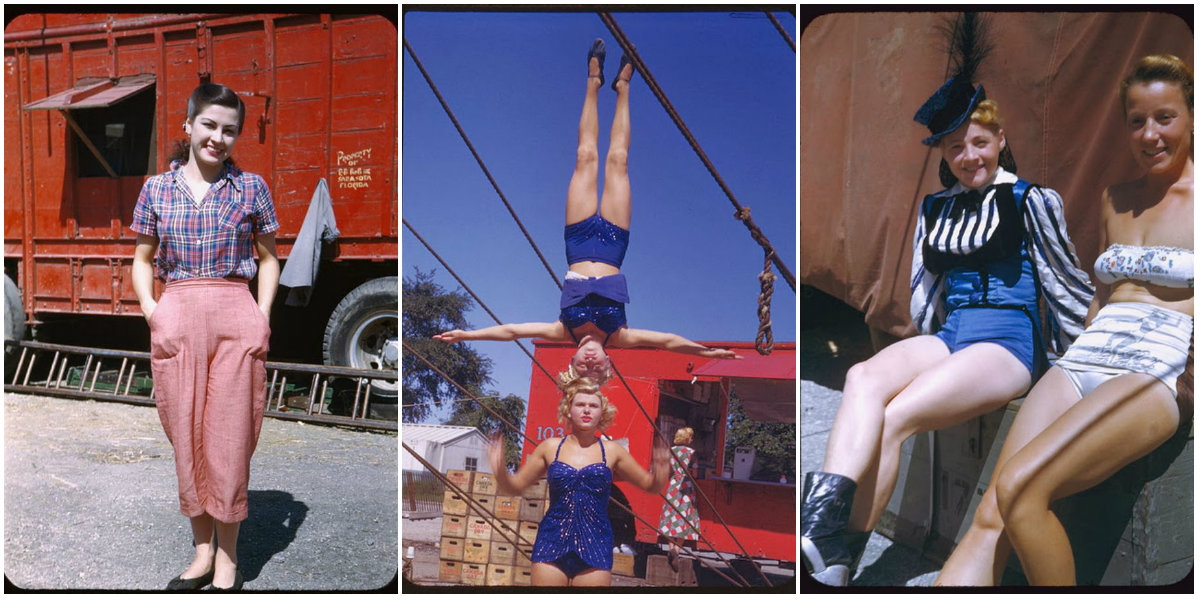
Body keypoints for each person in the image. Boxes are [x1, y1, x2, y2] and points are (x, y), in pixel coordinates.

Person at [800, 14, 1093, 586]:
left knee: (897, 416)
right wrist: (921, 350)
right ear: (944, 152)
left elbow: (1065, 283)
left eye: (980, 143)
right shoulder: (937, 208)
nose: (969, 156)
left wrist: (1076, 365)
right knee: (863, 377)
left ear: (1001, 140)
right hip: (953, 332)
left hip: (1007, 341)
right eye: (956, 147)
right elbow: (927, 290)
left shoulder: (1031, 200)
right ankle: (822, 530)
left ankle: (839, 556)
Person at [935, 54, 1194, 586]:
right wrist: (1067, 352)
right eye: (1136, 121)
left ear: (1191, 116)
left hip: (1154, 369)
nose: (1149, 135)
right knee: (992, 512)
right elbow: (1102, 294)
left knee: (1023, 490)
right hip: (1085, 357)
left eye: (1164, 117)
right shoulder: (1115, 199)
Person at [434, 38, 740, 386]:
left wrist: (467, 335)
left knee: (585, 157)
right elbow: (669, 341)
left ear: (573, 359)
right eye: (597, 369)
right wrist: (707, 353)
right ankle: (623, 88)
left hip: (578, 242)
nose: (590, 362)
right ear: (608, 362)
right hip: (613, 243)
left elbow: (513, 331)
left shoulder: (562, 330)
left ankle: (593, 82)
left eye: (583, 367)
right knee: (618, 161)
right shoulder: (621, 336)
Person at [132, 82, 280, 591]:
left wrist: (261, 315)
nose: (218, 138)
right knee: (187, 437)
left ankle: (229, 559)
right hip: (177, 312)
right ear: (189, 126)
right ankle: (201, 553)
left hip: (235, 312)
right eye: (210, 125)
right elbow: (143, 259)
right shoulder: (156, 189)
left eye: (229, 130)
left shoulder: (251, 187)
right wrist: (152, 310)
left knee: (230, 439)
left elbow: (268, 258)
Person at [488, 377, 670, 586]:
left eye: (593, 406)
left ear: (602, 412)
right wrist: (499, 470)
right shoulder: (550, 447)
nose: (586, 410)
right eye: (580, 404)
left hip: (596, 545)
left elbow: (649, 486)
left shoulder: (613, 451)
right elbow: (515, 486)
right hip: (551, 541)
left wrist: (661, 473)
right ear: (568, 410)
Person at [656, 426, 701, 570]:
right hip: (686, 487)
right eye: (690, 437)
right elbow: (694, 473)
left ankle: (671, 548)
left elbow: (667, 470)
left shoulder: (670, 451)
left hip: (673, 486)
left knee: (671, 517)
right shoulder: (692, 453)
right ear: (687, 438)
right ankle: (676, 550)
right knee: (683, 519)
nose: (692, 439)